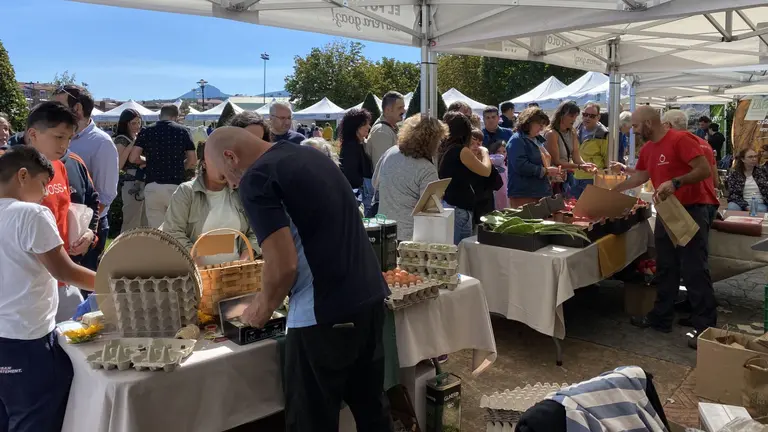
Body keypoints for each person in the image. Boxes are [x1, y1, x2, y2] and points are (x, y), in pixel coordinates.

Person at [204, 127, 392, 432]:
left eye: (226, 177)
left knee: (310, 421)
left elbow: (283, 265)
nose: (232, 184)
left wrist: (260, 309)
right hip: (368, 298)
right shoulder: (311, 155)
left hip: (323, 313)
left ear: (230, 156)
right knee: (372, 408)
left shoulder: (257, 178)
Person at [0, 146, 96, 432]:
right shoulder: (31, 214)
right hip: (25, 339)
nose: (45, 194)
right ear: (22, 175)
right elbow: (64, 271)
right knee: (36, 418)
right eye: (42, 184)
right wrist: (114, 283)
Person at [612, 106, 718, 349]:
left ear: (649, 123)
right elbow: (640, 177)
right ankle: (661, 317)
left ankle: (705, 328)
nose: (635, 131)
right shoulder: (649, 148)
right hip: (667, 210)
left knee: (694, 269)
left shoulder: (681, 139)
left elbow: (703, 170)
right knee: (666, 266)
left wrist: (676, 182)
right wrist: (611, 192)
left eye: (637, 126)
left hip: (691, 209)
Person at [23, 101, 99, 320]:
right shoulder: (11, 176)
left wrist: (87, 233)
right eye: (58, 137)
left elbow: (70, 210)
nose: (65, 145)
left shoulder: (61, 167)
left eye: (68, 138)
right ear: (33, 134)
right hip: (29, 285)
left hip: (65, 279)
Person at [52, 84, 118, 271]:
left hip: (85, 232)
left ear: (78, 109)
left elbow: (105, 194)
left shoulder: (101, 143)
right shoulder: (57, 137)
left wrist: (85, 230)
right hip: (60, 228)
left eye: (58, 106)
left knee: (85, 289)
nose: (53, 112)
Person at [162, 142, 260, 264]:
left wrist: (244, 261)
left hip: (235, 276)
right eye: (219, 163)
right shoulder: (187, 192)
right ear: (204, 164)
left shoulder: (240, 192)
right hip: (195, 274)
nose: (224, 167)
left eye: (229, 162)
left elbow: (254, 232)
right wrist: (196, 263)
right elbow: (173, 231)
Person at [374, 114, 446, 240]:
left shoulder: (390, 152)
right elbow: (430, 209)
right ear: (431, 141)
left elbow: (376, 183)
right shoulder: (427, 169)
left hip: (384, 228)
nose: (440, 143)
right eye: (439, 139)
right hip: (410, 235)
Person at [129, 104, 197, 228]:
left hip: (152, 185)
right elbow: (192, 160)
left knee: (156, 231)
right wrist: (181, 167)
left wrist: (147, 162)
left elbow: (133, 158)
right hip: (175, 185)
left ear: (160, 116)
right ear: (176, 117)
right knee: (177, 229)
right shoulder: (183, 131)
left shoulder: (146, 130)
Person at [437, 111, 493, 245]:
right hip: (459, 209)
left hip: (452, 205)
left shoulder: (445, 149)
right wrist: (485, 153)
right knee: (459, 251)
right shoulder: (461, 151)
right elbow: (485, 171)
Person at [507, 107, 561, 207]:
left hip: (541, 191)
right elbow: (520, 166)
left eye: (543, 125)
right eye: (540, 125)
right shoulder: (517, 140)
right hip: (524, 194)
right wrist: (545, 171)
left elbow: (542, 162)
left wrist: (552, 173)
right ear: (528, 122)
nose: (542, 128)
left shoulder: (537, 139)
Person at [365, 91, 405, 217]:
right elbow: (384, 168)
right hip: (385, 195)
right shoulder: (381, 131)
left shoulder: (390, 128)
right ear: (388, 110)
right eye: (400, 108)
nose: (403, 111)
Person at [544, 101, 595, 197]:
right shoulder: (551, 134)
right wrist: (579, 167)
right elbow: (556, 162)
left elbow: (576, 156)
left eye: (575, 116)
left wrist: (586, 165)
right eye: (571, 116)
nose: (574, 119)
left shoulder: (572, 132)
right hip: (554, 181)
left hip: (567, 178)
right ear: (561, 115)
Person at [113, 109, 148, 232]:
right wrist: (132, 144)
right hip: (131, 182)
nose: (137, 126)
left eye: (139, 123)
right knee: (131, 222)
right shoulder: (122, 139)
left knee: (143, 222)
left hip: (142, 181)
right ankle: (124, 249)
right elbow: (118, 164)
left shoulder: (136, 137)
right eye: (133, 123)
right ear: (125, 123)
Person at [338, 108, 374, 212]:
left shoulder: (356, 143)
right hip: (360, 195)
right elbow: (351, 174)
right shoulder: (351, 146)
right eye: (365, 124)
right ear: (356, 127)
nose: (369, 127)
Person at [572, 102, 609, 198]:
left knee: (589, 210)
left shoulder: (603, 134)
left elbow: (607, 158)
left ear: (598, 117)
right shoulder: (576, 129)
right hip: (576, 175)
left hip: (592, 178)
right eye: (585, 114)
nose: (587, 118)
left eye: (592, 116)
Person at [471, 129, 503, 226]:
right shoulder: (465, 160)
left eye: (479, 143)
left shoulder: (486, 161)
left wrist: (487, 161)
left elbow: (498, 184)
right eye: (472, 143)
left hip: (485, 208)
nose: (476, 146)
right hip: (472, 208)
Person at [726, 148, 768, 212]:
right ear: (743, 159)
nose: (754, 159)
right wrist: (745, 206)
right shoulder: (734, 173)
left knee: (759, 210)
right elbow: (733, 194)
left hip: (759, 202)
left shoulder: (763, 171)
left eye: (755, 156)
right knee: (732, 208)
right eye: (750, 157)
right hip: (739, 202)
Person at [487, 140, 509, 210]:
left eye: (504, 151)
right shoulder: (491, 164)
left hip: (506, 194)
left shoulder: (507, 166)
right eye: (498, 151)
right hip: (496, 193)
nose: (502, 154)